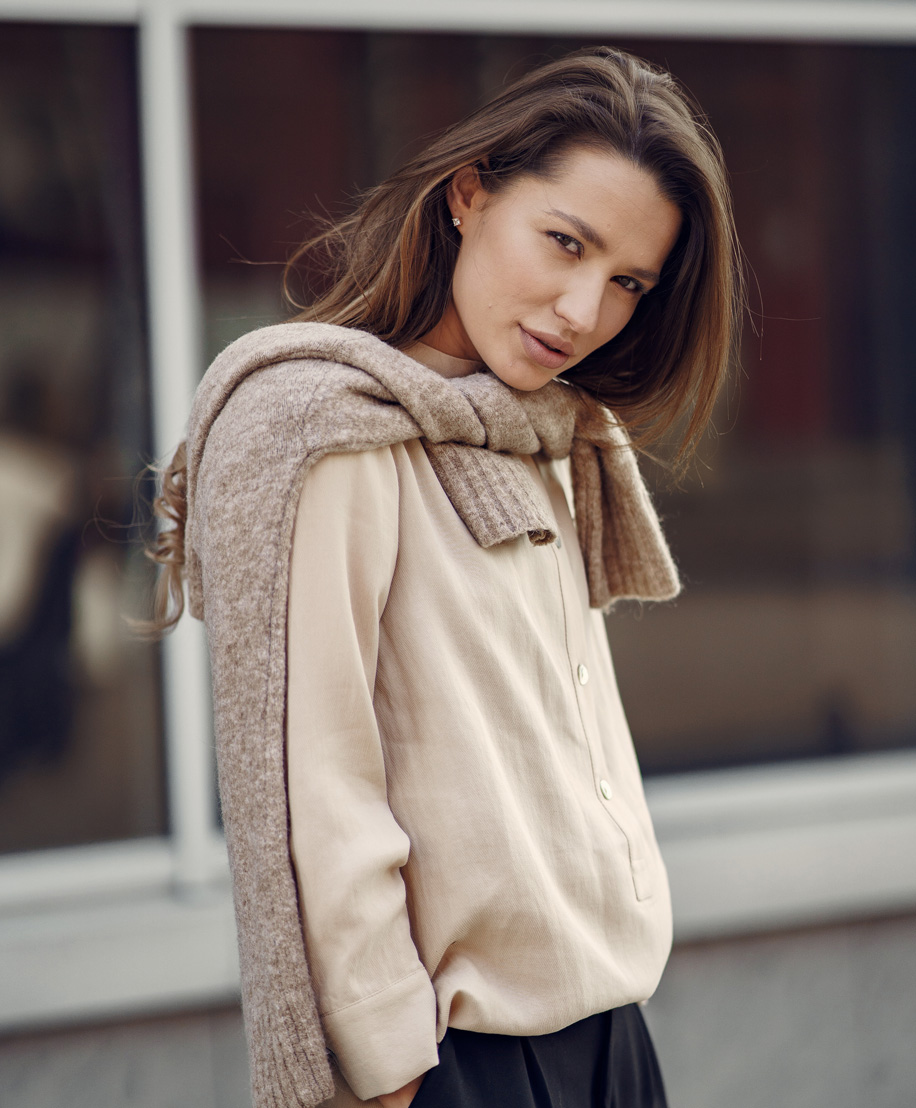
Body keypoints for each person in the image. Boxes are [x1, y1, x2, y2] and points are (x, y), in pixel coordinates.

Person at [147, 45, 739, 1108]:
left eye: (625, 284)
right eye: (563, 242)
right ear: (468, 196)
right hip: (458, 1063)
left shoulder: (543, 431)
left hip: (609, 1037)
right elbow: (311, 786)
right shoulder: (328, 432)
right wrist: (386, 1070)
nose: (579, 308)